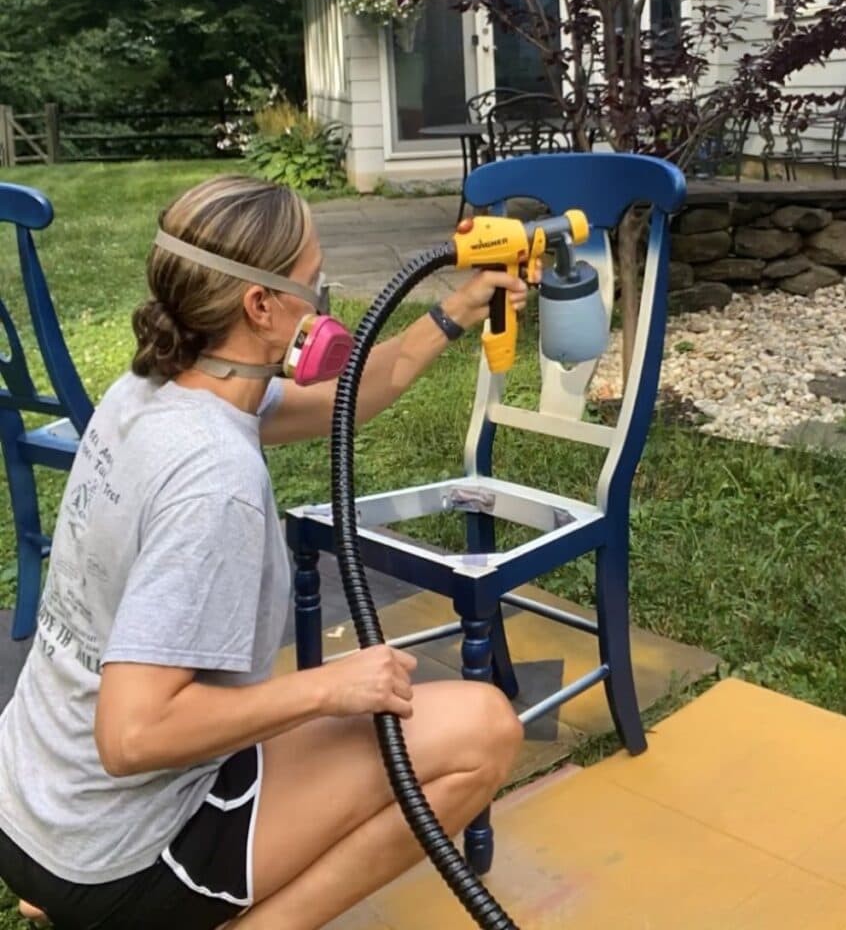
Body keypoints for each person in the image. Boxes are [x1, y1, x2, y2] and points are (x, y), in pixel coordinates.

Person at [0, 175, 526, 930]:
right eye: (315, 285)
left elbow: (349, 398)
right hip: (112, 848)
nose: (325, 302)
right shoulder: (217, 481)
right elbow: (131, 737)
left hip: (30, 802)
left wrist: (448, 316)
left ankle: (52, 889)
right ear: (261, 306)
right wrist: (331, 687)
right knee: (482, 730)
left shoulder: (150, 389)